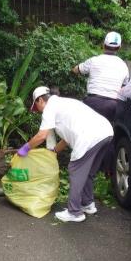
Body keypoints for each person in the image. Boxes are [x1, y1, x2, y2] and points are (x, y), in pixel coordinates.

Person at [17, 86, 114, 222]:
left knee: (75, 169)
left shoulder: (49, 108)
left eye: (36, 106)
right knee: (89, 172)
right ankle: (88, 204)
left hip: (90, 137)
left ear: (40, 100)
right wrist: (54, 151)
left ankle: (74, 212)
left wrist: (25, 148)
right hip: (106, 131)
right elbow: (67, 138)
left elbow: (42, 136)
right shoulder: (64, 103)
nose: (37, 110)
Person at [71, 31, 129, 177]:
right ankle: (108, 171)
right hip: (112, 105)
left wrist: (74, 70)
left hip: (92, 103)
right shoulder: (123, 65)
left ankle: (84, 167)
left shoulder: (94, 60)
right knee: (108, 136)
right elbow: (124, 86)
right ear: (119, 47)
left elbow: (77, 69)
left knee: (86, 135)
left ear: (103, 45)